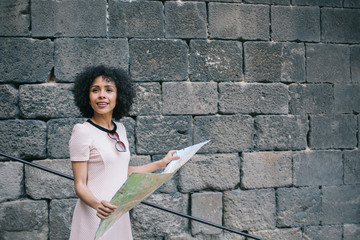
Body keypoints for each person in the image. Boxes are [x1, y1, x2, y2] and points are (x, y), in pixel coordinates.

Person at [68, 65, 179, 240]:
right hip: (96, 213)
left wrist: (161, 163)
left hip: (118, 212)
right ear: (87, 97)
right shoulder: (82, 132)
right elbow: (80, 185)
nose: (102, 95)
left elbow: (123, 172)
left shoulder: (120, 129)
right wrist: (98, 206)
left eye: (109, 90)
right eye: (95, 90)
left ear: (118, 96)